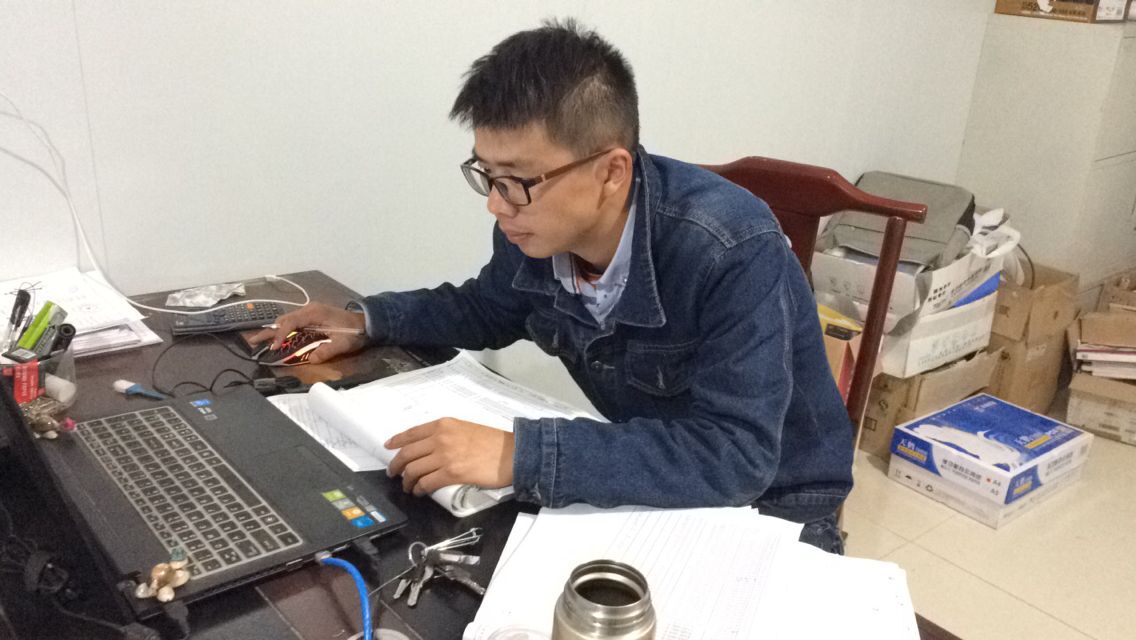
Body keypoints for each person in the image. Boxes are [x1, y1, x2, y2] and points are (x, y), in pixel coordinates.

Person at [254, 19, 853, 554]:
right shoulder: (536, 230)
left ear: (611, 172)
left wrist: (522, 454)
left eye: (516, 180)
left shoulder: (731, 249)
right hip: (661, 479)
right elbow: (488, 308)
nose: (496, 204)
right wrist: (368, 321)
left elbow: (735, 457)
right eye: (487, 174)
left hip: (778, 506)